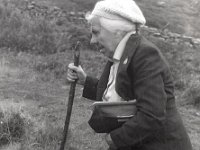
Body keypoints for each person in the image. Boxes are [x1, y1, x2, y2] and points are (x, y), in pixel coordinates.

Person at [67, 0, 193, 149]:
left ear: (117, 30)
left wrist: (114, 139)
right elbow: (118, 93)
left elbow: (151, 115)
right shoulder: (120, 54)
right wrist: (85, 80)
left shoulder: (144, 54)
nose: (92, 41)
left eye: (95, 32)